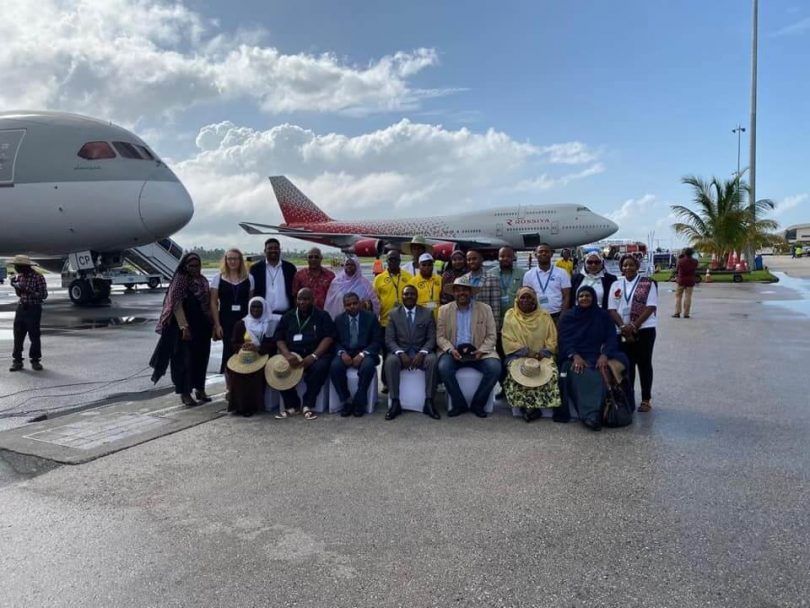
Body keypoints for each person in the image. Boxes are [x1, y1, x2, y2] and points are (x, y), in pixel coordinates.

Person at [558, 286, 630, 431]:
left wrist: (605, 355)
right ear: (577, 299)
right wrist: (575, 356)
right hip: (575, 357)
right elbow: (564, 340)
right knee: (584, 374)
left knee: (608, 369)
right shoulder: (569, 316)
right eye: (581, 296)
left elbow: (611, 338)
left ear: (594, 298)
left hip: (597, 355)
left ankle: (610, 409)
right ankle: (591, 415)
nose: (584, 298)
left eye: (588, 296)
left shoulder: (602, 316)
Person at [150, 252, 214, 407]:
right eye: (191, 266)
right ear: (185, 266)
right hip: (183, 329)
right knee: (183, 361)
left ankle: (200, 389)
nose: (194, 268)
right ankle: (185, 393)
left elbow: (207, 304)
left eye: (197, 265)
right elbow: (176, 305)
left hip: (201, 327)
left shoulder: (203, 281)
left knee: (201, 358)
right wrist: (184, 327)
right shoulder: (180, 280)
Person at [436, 276, 501, 418]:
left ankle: (478, 404)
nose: (461, 293)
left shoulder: (485, 309)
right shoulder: (444, 310)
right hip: (454, 352)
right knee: (443, 367)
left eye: (465, 289)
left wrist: (482, 351)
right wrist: (450, 349)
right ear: (453, 293)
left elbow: (491, 336)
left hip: (479, 352)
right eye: (458, 290)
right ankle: (459, 404)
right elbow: (440, 337)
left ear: (471, 292)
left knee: (495, 367)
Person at [272, 288, 335, 420]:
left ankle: (308, 404)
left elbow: (328, 337)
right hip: (292, 355)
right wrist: (287, 355)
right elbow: (279, 338)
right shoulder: (288, 316)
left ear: (313, 300)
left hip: (315, 354)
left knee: (320, 367)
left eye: (306, 299)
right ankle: (292, 405)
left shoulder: (322, 316)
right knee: (277, 367)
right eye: (299, 299)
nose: (302, 302)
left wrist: (313, 357)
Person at [501, 287, 561, 421]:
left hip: (542, 356)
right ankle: (527, 407)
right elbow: (508, 341)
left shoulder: (544, 316)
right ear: (517, 299)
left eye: (529, 297)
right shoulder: (510, 315)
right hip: (517, 355)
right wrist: (528, 353)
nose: (525, 300)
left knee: (552, 372)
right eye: (522, 297)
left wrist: (540, 354)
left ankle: (535, 408)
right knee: (517, 371)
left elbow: (552, 341)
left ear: (534, 300)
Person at [608, 255, 658, 413]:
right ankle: (629, 398)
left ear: (637, 267)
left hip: (644, 330)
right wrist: (623, 326)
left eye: (631, 265)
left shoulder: (648, 283)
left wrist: (633, 326)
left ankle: (645, 399)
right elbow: (611, 309)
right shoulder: (616, 284)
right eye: (624, 265)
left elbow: (650, 307)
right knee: (627, 366)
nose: (627, 268)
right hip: (622, 330)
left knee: (644, 364)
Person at [384, 285, 439, 420]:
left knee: (433, 360)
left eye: (412, 294)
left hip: (421, 352)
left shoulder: (427, 313)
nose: (409, 297)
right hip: (401, 352)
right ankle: (395, 402)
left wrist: (422, 353)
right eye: (406, 294)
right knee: (390, 361)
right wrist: (400, 353)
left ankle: (429, 401)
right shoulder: (393, 314)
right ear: (402, 296)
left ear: (417, 296)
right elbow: (389, 339)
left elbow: (431, 338)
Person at [329, 292, 383, 417]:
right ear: (344, 306)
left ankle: (360, 400)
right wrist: (342, 353)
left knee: (368, 366)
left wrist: (363, 354)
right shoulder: (338, 319)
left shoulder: (371, 318)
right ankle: (346, 400)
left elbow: (377, 341)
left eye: (354, 303)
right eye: (348, 305)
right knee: (335, 367)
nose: (352, 306)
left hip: (365, 352)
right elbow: (334, 341)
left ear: (360, 303)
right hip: (346, 352)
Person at [226, 297, 278, 417]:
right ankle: (238, 406)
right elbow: (234, 343)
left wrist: (258, 348)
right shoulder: (241, 324)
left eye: (259, 307)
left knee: (255, 373)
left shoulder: (269, 324)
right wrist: (243, 347)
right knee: (237, 373)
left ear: (264, 308)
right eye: (253, 307)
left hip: (262, 356)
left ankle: (251, 406)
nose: (256, 309)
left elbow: (274, 344)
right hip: (244, 357)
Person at [210, 249, 254, 385]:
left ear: (240, 260)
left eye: (235, 259)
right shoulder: (218, 278)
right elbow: (213, 302)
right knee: (228, 353)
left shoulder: (249, 278)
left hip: (243, 322)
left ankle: (243, 386)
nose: (232, 261)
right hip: (226, 321)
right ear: (225, 260)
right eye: (229, 259)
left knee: (244, 352)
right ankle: (229, 387)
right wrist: (217, 325)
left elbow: (252, 302)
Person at [9, 255, 48, 372]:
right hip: (21, 308)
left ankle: (35, 360)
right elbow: (20, 295)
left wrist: (27, 289)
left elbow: (43, 295)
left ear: (25, 267)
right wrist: (15, 286)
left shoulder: (38, 277)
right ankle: (17, 361)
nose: (16, 269)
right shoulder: (20, 277)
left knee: (34, 336)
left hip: (33, 309)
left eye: (18, 267)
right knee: (18, 336)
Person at [522, 243, 571, 321]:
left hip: (557, 316)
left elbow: (567, 296)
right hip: (536, 316)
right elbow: (527, 297)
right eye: (540, 251)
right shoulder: (528, 275)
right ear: (535, 254)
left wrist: (563, 316)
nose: (544, 253)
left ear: (551, 254)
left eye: (546, 251)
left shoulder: (562, 273)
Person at [249, 238, 297, 315]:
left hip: (286, 315)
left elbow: (295, 291)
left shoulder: (290, 268)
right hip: (262, 315)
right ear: (265, 251)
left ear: (280, 250)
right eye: (270, 248)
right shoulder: (255, 269)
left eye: (276, 248)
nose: (273, 250)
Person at [323, 255, 380, 320]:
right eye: (347, 264)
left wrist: (365, 304)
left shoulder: (365, 283)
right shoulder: (336, 282)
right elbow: (329, 303)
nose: (349, 266)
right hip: (340, 321)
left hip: (360, 321)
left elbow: (375, 303)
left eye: (352, 264)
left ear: (357, 267)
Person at [464, 249, 501, 329]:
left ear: (481, 259)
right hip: (467, 323)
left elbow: (495, 306)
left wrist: (495, 329)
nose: (471, 262)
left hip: (484, 324)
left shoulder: (492, 278)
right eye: (469, 259)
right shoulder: (463, 279)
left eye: (474, 259)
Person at [408, 253, 443, 319]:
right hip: (420, 319)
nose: (427, 267)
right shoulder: (412, 282)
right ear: (419, 266)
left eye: (430, 265)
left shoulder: (440, 279)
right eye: (424, 265)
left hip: (438, 317)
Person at [673, 247, 698, 318]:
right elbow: (695, 267)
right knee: (688, 297)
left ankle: (677, 312)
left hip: (681, 280)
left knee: (678, 297)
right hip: (690, 280)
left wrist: (680, 257)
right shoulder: (695, 261)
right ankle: (686, 313)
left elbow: (676, 269)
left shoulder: (680, 261)